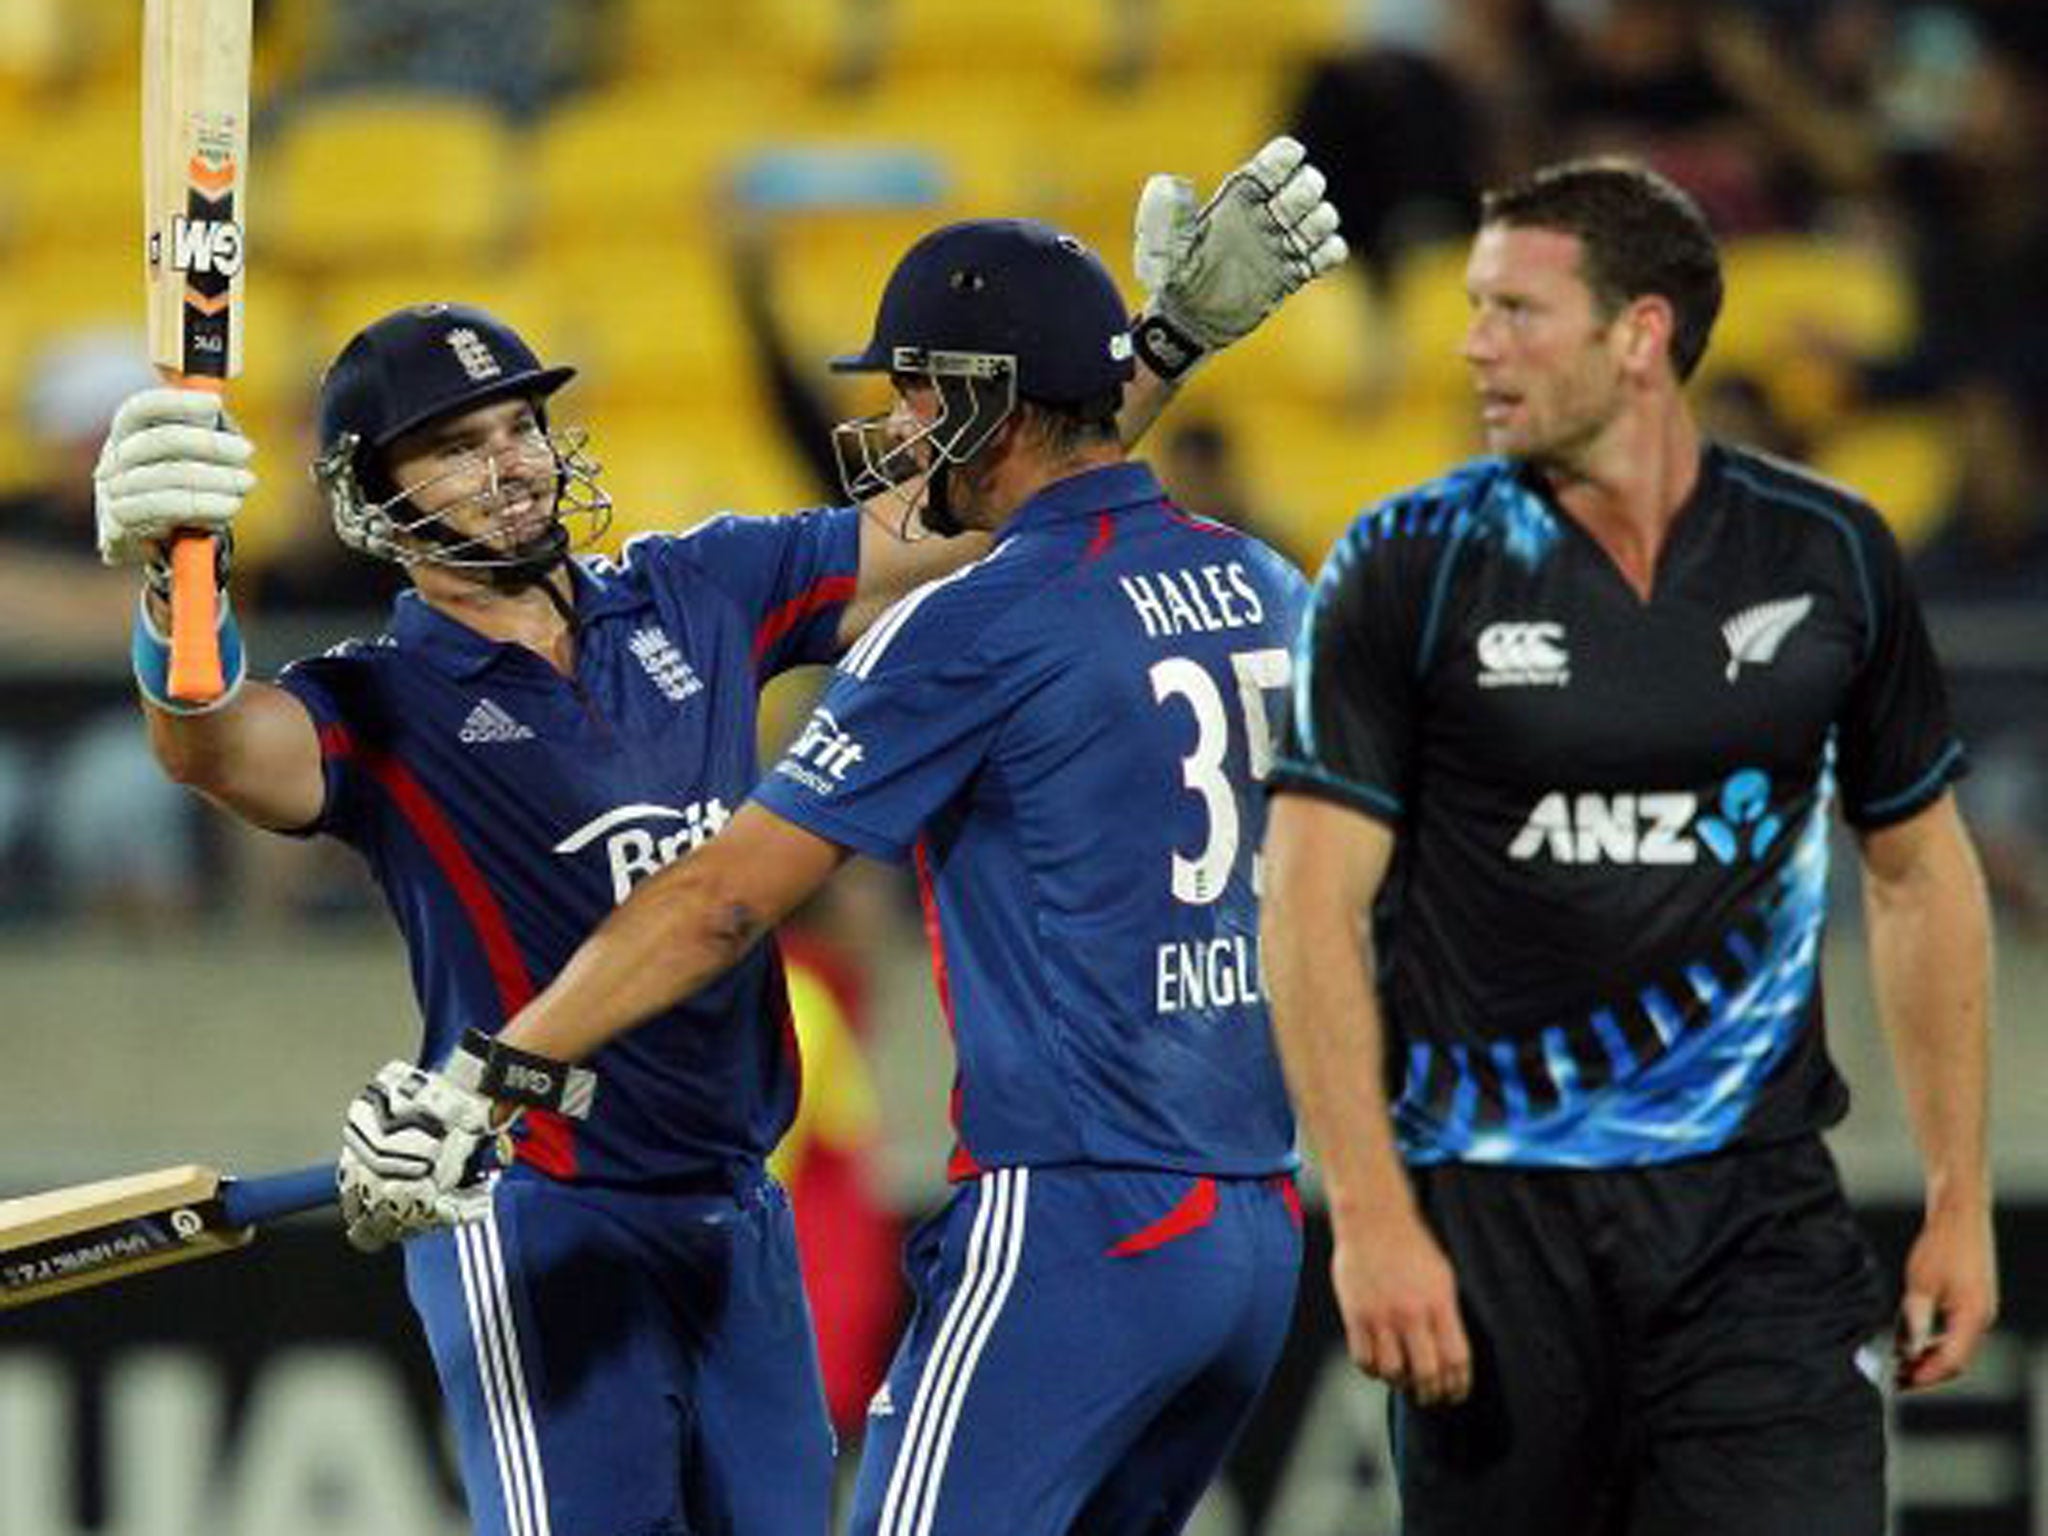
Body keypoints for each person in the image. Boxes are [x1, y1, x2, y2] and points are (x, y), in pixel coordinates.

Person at [90, 139, 1344, 1536]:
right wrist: (171, 585)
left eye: (517, 426)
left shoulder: (698, 585)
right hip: (536, 1207)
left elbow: (959, 506)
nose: (508, 467)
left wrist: (1148, 351)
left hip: (742, 1212)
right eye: (454, 450)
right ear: (372, 497)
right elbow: (208, 738)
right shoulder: (378, 699)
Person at [1259, 157, 1997, 1536]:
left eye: (1517, 312)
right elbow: (1308, 908)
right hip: (1490, 1233)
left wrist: (1960, 1196)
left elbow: (1917, 872)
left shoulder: (1828, 557)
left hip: (1755, 1226)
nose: (1473, 343)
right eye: (1473, 308)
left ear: (1641, 335)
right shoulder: (1403, 567)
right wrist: (1366, 1214)